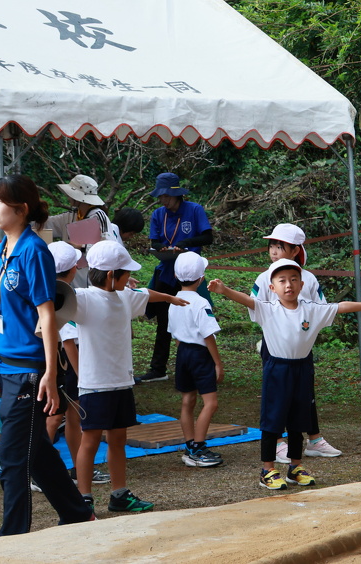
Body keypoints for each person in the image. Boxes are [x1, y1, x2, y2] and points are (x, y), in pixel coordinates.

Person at [208, 259, 361, 490]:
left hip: (302, 369)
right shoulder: (268, 308)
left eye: (294, 279)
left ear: (302, 284)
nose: (289, 285)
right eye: (282, 281)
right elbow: (246, 300)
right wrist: (223, 289)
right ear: (272, 287)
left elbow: (340, 306)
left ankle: (295, 468)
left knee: (298, 421)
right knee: (273, 421)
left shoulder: (311, 309)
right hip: (277, 370)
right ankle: (267, 470)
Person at [0, 174, 94, 535]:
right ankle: (78, 514)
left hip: (30, 369)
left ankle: (12, 538)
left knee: (13, 456)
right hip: (6, 365)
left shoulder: (34, 251)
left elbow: (47, 314)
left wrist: (49, 371)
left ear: (21, 208)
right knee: (36, 450)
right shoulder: (0, 250)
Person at [71, 240, 187, 513]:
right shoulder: (84, 299)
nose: (130, 278)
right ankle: (83, 498)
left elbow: (145, 293)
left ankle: (119, 494)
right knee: (90, 440)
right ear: (111, 275)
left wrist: (169, 297)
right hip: (95, 385)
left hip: (122, 381)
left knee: (118, 439)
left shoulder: (124, 295)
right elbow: (54, 297)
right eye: (126, 273)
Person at [250, 224, 339, 461]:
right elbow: (255, 307)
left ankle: (314, 439)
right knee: (277, 395)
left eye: (280, 246)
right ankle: (278, 442)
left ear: (296, 250)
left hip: (302, 345)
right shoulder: (265, 277)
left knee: (305, 393)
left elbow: (321, 307)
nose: (274, 251)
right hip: (275, 347)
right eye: (271, 245)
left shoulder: (308, 279)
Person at [45, 242, 110, 486]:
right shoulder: (63, 295)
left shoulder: (51, 289)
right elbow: (69, 342)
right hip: (65, 365)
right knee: (55, 417)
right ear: (73, 269)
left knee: (71, 416)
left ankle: (78, 467)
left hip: (60, 363)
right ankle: (38, 472)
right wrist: (83, 377)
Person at [141, 172, 213, 383]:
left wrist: (186, 243)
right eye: (160, 196)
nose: (162, 200)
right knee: (164, 320)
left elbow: (207, 237)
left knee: (196, 317)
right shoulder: (158, 214)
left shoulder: (194, 210)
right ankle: (158, 369)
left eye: (166, 196)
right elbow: (154, 241)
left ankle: (204, 365)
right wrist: (160, 248)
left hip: (190, 273)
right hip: (166, 271)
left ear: (176, 194)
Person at [168, 252, 224, 468]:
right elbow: (208, 335)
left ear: (175, 275)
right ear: (201, 278)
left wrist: (183, 355)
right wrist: (217, 363)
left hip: (182, 352)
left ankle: (190, 445)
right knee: (211, 403)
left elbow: (174, 334)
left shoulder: (173, 301)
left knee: (187, 401)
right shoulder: (201, 303)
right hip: (200, 355)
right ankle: (198, 449)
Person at [44, 175, 111, 288]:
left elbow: (108, 248)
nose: (68, 197)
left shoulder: (99, 216)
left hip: (92, 277)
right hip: (72, 275)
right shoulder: (72, 215)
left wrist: (83, 247)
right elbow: (47, 224)